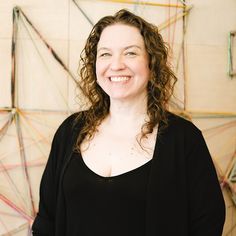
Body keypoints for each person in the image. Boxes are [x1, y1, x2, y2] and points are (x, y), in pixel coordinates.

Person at [32, 9, 225, 236]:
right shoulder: (71, 131)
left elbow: (207, 225)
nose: (116, 65)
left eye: (130, 53)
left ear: (151, 64)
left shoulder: (184, 139)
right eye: (105, 54)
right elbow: (46, 221)